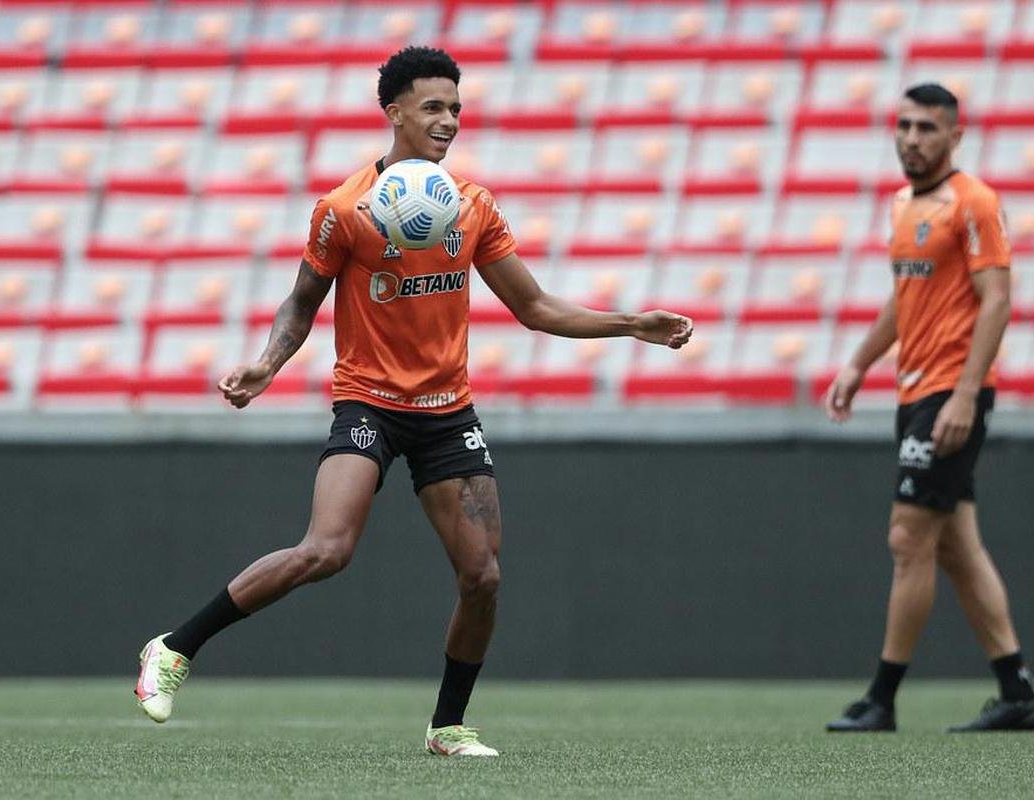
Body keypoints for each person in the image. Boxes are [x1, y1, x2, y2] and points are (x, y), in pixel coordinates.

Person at [133, 46, 694, 756]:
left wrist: (630, 325)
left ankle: (447, 726)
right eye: (433, 107)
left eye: (456, 107)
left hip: (446, 412)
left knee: (482, 576)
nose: (448, 120)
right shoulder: (345, 211)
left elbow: (534, 306)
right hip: (368, 402)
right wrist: (267, 364)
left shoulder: (471, 205)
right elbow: (301, 303)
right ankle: (175, 648)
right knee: (326, 550)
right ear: (393, 112)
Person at [822, 84, 1034, 733]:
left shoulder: (974, 201)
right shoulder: (901, 204)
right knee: (955, 546)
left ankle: (881, 698)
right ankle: (1017, 691)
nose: (911, 138)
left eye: (925, 128)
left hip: (950, 391)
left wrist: (967, 393)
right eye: (903, 126)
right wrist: (859, 363)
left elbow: (996, 299)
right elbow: (904, 298)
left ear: (953, 136)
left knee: (906, 537)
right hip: (915, 389)